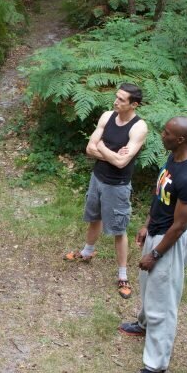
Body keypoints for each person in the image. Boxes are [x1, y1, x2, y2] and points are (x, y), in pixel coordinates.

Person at [119, 116, 187, 373]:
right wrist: (146, 225)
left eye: (166, 132)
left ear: (180, 139)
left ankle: (156, 368)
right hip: (157, 232)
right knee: (149, 286)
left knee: (163, 305)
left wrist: (156, 254)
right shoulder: (173, 159)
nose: (161, 134)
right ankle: (144, 324)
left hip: (170, 240)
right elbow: (160, 198)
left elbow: (180, 224)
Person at [64, 84, 148, 299]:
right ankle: (87, 251)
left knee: (119, 230)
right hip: (97, 178)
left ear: (134, 104)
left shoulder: (138, 128)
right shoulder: (107, 116)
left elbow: (121, 163)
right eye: (116, 97)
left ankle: (123, 275)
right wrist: (110, 153)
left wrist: (101, 147)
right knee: (94, 218)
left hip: (118, 185)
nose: (116, 102)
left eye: (121, 100)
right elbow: (89, 148)